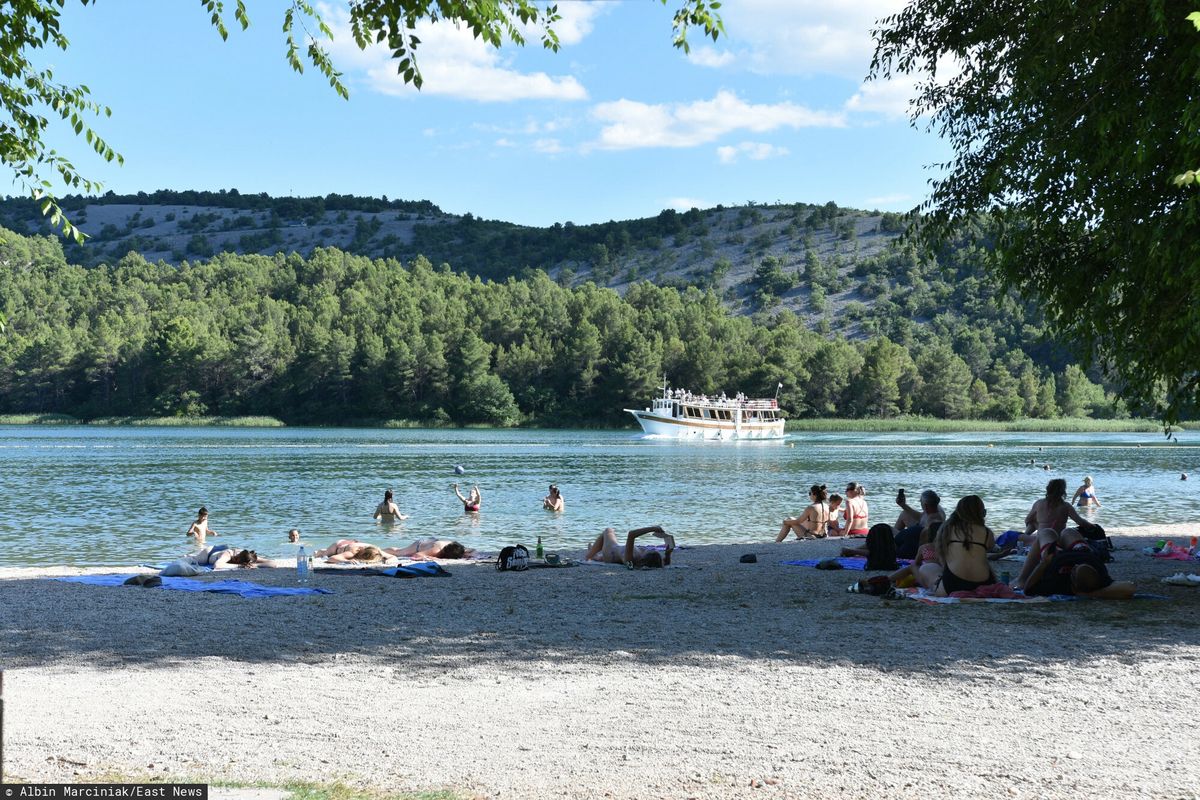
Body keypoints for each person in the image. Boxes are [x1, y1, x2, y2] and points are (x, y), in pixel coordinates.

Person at [1013, 527, 1135, 598]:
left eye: (1075, 569)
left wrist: (1044, 563)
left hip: (1055, 556)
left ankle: (1020, 579)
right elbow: (1130, 587)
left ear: (1073, 582)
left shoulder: (1057, 584)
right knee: (1068, 531)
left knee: (1046, 532)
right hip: (1084, 552)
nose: (1075, 565)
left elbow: (1028, 590)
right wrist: (1094, 594)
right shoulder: (1103, 580)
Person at [916, 495, 997, 596]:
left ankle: (936, 586)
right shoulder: (987, 532)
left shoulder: (947, 528)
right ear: (981, 513)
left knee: (926, 568)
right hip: (984, 584)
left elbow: (941, 558)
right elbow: (988, 549)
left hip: (953, 585)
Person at [585, 525, 675, 568]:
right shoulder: (647, 560)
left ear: (645, 558)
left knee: (608, 530)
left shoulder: (630, 560)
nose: (647, 550)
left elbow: (631, 534)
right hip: (616, 554)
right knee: (616, 555)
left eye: (649, 551)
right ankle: (598, 557)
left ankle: (590, 555)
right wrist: (668, 555)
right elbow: (664, 564)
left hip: (610, 552)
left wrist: (653, 528)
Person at [1025, 478, 1090, 537]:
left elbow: (1027, 520)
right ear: (1063, 492)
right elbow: (1080, 521)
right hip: (1058, 537)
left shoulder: (1039, 503)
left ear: (1048, 489)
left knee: (1032, 523)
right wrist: (1091, 525)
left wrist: (1040, 524)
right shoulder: (1066, 506)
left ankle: (1025, 537)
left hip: (1042, 537)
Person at [893, 489, 946, 559]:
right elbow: (921, 517)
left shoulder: (933, 522)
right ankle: (896, 541)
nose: (920, 503)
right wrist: (903, 505)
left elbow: (924, 542)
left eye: (920, 502)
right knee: (904, 514)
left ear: (925, 505)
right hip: (915, 533)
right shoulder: (934, 509)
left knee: (888, 529)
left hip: (915, 540)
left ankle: (894, 542)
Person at [314, 539, 395, 564]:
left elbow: (393, 557)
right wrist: (346, 561)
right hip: (338, 546)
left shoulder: (377, 550)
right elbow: (331, 558)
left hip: (353, 543)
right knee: (326, 554)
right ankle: (319, 552)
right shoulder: (353, 552)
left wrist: (389, 560)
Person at [383, 538, 473, 560]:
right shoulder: (436, 551)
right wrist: (434, 558)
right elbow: (416, 555)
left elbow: (471, 550)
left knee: (399, 551)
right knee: (399, 552)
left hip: (430, 542)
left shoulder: (457, 546)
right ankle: (381, 551)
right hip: (419, 545)